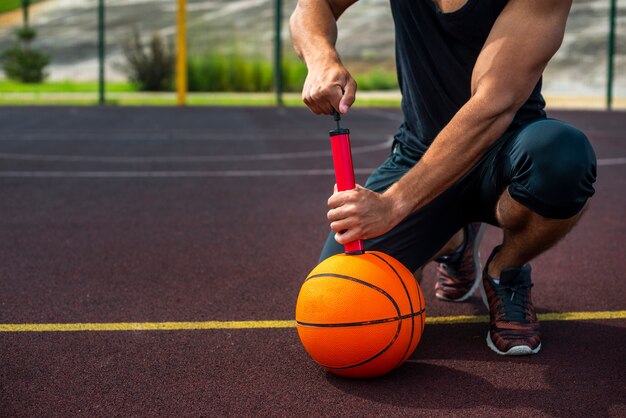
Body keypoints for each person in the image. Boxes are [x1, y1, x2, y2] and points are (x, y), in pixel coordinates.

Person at [289, 0, 597, 356]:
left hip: (507, 155)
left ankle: (506, 271)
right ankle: (453, 242)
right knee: (341, 303)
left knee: (563, 157)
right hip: (417, 156)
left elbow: (493, 102)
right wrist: (321, 58)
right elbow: (313, 6)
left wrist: (393, 204)